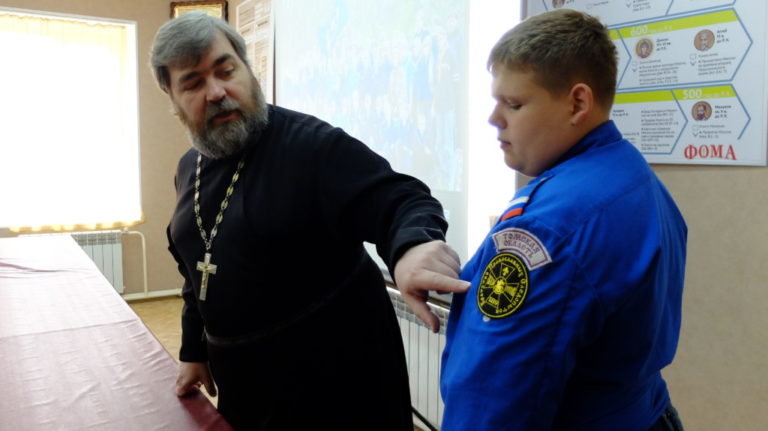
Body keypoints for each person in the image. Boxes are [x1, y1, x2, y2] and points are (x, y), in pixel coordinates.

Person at [149, 12, 469, 430]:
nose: (216, 92)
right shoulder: (187, 168)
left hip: (334, 387)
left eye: (226, 71)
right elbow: (197, 274)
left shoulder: (311, 146)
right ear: (173, 100)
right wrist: (194, 350)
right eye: (192, 84)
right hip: (244, 383)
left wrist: (412, 246)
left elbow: (400, 199)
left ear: (248, 70)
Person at [439, 9, 687, 431]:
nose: (494, 118)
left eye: (514, 104)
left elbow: (491, 398)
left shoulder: (549, 228)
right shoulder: (635, 178)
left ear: (578, 103)